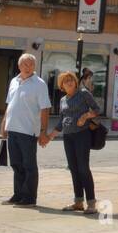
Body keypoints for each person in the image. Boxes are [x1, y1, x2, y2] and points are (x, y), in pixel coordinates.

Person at [0, 52, 52, 207]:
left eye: (31, 64)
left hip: (28, 130)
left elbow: (45, 109)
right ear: (19, 66)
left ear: (34, 66)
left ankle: (29, 197)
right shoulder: (14, 81)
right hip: (13, 128)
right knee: (16, 164)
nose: (28, 67)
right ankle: (18, 194)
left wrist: (43, 131)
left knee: (29, 165)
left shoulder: (39, 84)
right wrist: (4, 123)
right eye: (25, 64)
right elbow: (9, 105)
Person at [47, 70, 101, 213]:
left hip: (82, 135)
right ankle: (78, 202)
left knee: (83, 168)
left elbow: (97, 109)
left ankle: (91, 203)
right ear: (62, 86)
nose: (70, 82)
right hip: (68, 137)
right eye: (66, 81)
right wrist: (50, 136)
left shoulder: (83, 93)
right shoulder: (63, 100)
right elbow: (61, 122)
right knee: (74, 169)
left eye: (71, 79)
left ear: (75, 81)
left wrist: (85, 116)